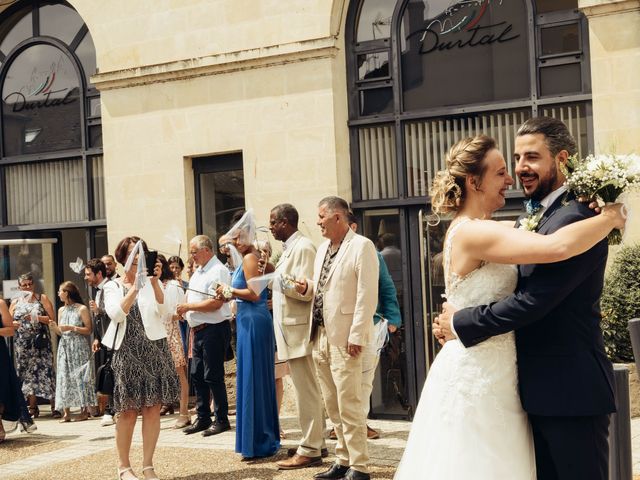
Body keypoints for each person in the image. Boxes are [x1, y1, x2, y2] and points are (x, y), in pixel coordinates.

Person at [395, 130, 626, 480]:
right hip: (481, 376)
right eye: (503, 170)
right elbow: (556, 248)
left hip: (528, 383)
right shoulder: (474, 232)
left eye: (523, 160)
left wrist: (461, 321)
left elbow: (542, 275)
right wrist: (611, 217)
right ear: (474, 181)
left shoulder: (514, 224)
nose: (512, 176)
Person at [295, 196, 379, 480]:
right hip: (319, 335)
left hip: (345, 339)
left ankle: (360, 465)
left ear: (338, 217)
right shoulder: (321, 250)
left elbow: (367, 296)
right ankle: (342, 459)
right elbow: (321, 289)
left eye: (321, 216)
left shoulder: (362, 246)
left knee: (349, 402)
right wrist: (306, 288)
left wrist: (356, 334)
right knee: (331, 403)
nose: (318, 222)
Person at [102, 236, 180, 480]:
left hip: (154, 349)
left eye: (142, 257)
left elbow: (167, 312)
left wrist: (155, 283)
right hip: (126, 353)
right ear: (124, 260)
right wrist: (134, 287)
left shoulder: (150, 284)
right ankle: (123, 467)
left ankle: (148, 465)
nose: (139, 262)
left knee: (152, 409)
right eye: (134, 258)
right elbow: (116, 313)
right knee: (126, 411)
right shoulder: (112, 287)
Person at [268, 203, 328, 470]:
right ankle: (314, 440)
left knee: (307, 392)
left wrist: (273, 279)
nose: (270, 227)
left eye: (273, 222)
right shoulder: (289, 249)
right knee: (307, 390)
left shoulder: (303, 247)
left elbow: (306, 289)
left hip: (300, 329)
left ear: (285, 222)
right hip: (290, 329)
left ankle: (311, 447)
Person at [217, 210, 280, 459]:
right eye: (234, 236)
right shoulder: (253, 257)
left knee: (254, 377)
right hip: (249, 319)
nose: (236, 240)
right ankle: (258, 438)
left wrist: (228, 290)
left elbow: (254, 294)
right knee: (252, 377)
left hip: (253, 319)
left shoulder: (250, 258)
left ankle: (259, 441)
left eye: (240, 235)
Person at [342, 211, 402, 441]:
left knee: (365, 379)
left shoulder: (373, 254)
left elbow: (386, 286)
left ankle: (361, 423)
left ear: (353, 227)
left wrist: (393, 319)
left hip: (371, 323)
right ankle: (348, 424)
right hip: (342, 328)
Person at [177, 235, 232, 437]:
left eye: (194, 252)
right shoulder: (199, 272)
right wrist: (183, 308)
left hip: (214, 328)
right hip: (198, 329)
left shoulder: (218, 270)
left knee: (213, 375)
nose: (191, 256)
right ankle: (203, 417)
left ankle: (221, 419)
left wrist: (188, 306)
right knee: (197, 374)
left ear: (206, 250)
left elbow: (216, 303)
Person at [9, 272, 57, 419]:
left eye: (30, 284)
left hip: (40, 342)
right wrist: (13, 324)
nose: (27, 287)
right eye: (24, 285)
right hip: (23, 344)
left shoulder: (41, 298)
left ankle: (55, 406)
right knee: (27, 374)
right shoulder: (15, 302)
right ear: (19, 287)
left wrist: (35, 317)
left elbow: (51, 318)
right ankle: (32, 407)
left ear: (33, 284)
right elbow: (8, 321)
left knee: (46, 371)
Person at [50, 281, 96, 422]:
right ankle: (66, 412)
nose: (58, 293)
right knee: (64, 376)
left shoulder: (81, 309)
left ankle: (84, 411)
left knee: (80, 376)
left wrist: (72, 327)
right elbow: (61, 332)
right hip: (64, 346)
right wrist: (54, 328)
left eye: (60, 291)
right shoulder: (61, 310)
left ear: (67, 293)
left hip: (78, 346)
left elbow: (89, 330)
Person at [158, 254, 190, 428]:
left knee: (179, 374)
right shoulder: (149, 285)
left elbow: (180, 312)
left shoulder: (173, 285)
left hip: (170, 331)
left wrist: (168, 315)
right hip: (154, 333)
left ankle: (184, 412)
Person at [85, 258, 116, 427]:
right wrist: (97, 337)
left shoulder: (111, 287)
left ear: (98, 274)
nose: (86, 277)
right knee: (110, 373)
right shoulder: (97, 290)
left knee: (111, 374)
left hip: (114, 338)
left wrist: (99, 310)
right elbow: (98, 319)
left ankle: (110, 410)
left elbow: (115, 312)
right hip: (105, 339)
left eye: (88, 274)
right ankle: (112, 409)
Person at [167, 255, 189, 357]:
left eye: (177, 267)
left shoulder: (187, 284)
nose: (175, 270)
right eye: (172, 267)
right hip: (173, 320)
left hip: (185, 320)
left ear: (181, 269)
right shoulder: (166, 284)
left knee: (187, 346)